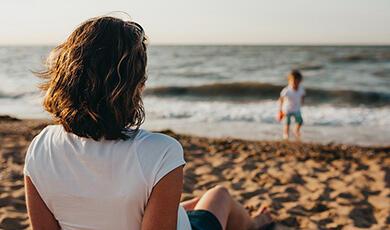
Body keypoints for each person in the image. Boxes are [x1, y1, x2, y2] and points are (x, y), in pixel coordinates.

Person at [24, 16, 273, 230]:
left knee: (191, 204)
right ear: (135, 86)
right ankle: (255, 225)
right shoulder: (161, 152)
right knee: (220, 196)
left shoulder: (39, 147)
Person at [278, 70, 305, 140]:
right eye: (293, 81)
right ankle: (286, 134)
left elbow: (302, 95)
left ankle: (296, 130)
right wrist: (280, 110)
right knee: (287, 123)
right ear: (289, 81)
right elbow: (281, 99)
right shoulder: (287, 90)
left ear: (300, 81)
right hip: (287, 109)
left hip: (296, 109)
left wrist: (302, 101)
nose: (295, 83)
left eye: (297, 82)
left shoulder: (301, 89)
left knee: (300, 121)